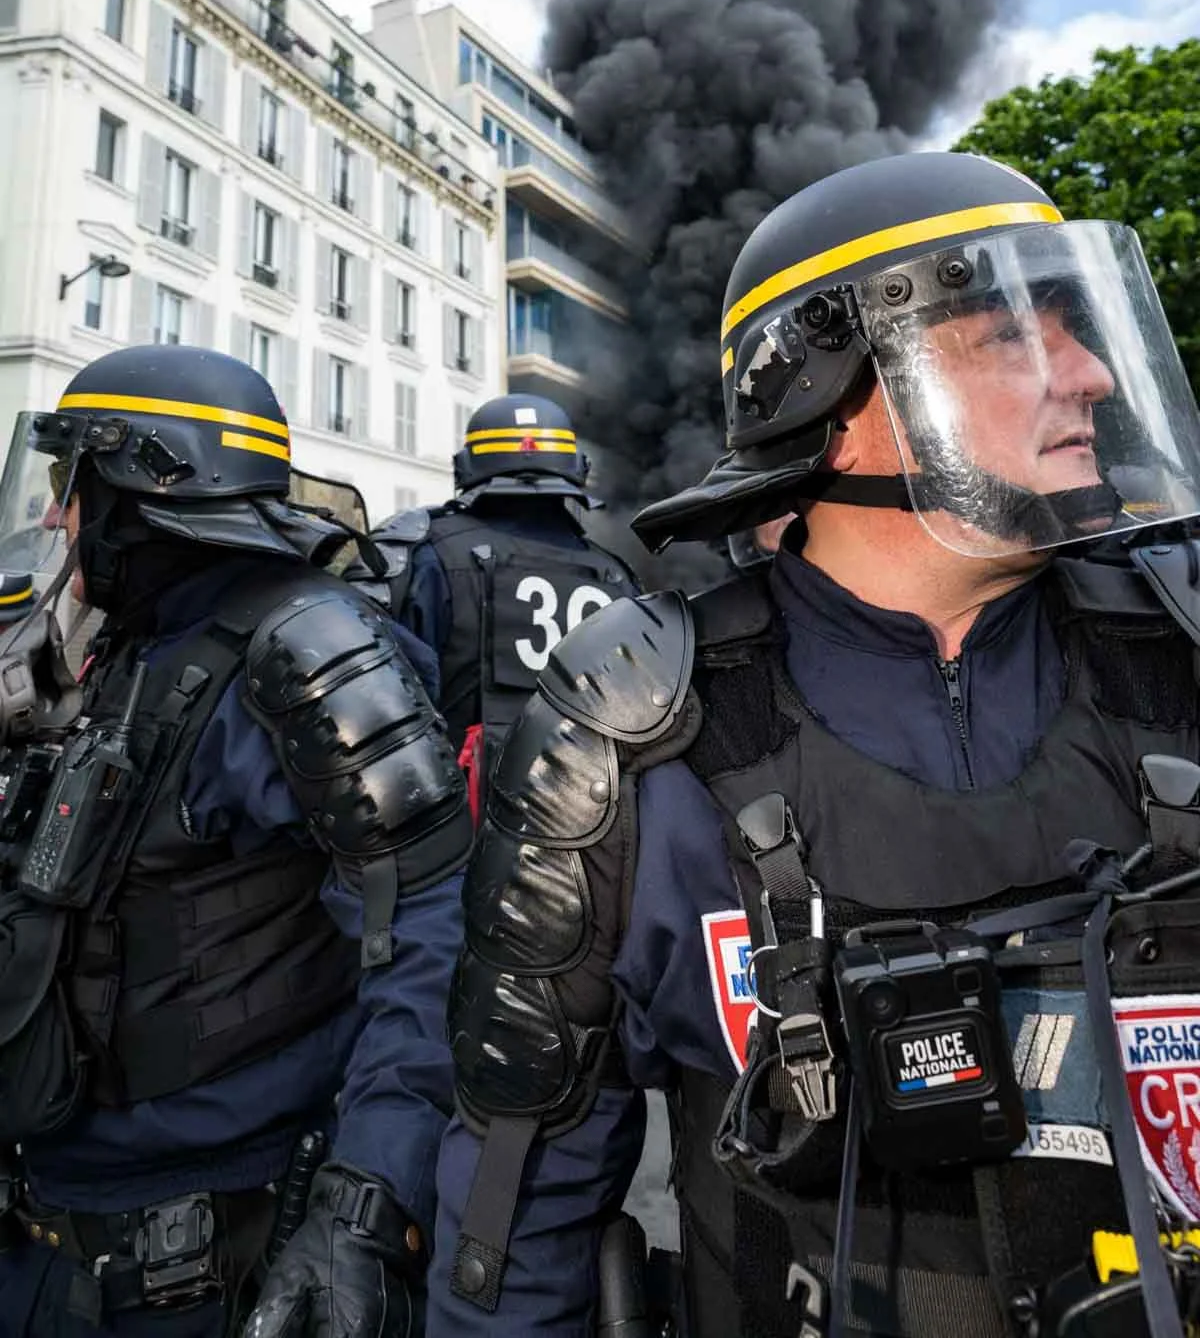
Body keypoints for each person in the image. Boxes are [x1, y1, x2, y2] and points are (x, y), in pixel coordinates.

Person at [428, 149, 1200, 1338]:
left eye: (1079, 327)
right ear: (823, 397)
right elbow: (518, 1210)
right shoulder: (637, 738)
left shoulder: (1181, 649)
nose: (1091, 374)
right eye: (1010, 334)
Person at [0, 344, 473, 1338]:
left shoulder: (307, 650)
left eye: (69, 486)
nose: (53, 519)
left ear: (139, 488)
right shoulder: (131, 647)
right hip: (52, 1228)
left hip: (201, 1262)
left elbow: (432, 926)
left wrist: (369, 1203)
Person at [362, 394, 640, 812]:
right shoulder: (616, 576)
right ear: (577, 468)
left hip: (461, 824)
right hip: (589, 817)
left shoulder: (428, 556)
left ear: (467, 465)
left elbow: (384, 707)